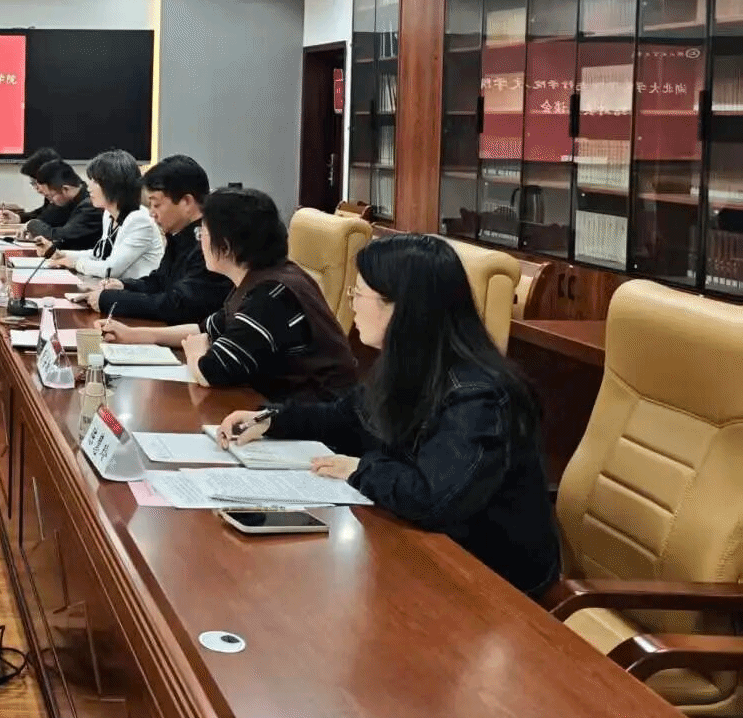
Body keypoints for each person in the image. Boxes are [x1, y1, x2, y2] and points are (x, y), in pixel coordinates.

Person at [217, 234, 561, 597]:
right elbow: (346, 417)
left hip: (490, 582)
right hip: (425, 552)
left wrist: (360, 469)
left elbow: (433, 499)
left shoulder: (479, 396)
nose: (351, 304)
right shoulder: (410, 365)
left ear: (400, 307)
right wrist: (272, 420)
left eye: (358, 294)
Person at [103, 186, 354, 399]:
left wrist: (196, 353)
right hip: (273, 408)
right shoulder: (261, 277)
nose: (200, 241)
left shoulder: (271, 294)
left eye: (203, 233)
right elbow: (205, 329)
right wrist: (134, 335)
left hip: (311, 426)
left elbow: (211, 372)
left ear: (225, 246)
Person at [80, 154, 229, 326]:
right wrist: (123, 286)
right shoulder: (178, 235)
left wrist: (109, 300)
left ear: (186, 202)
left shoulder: (209, 241)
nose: (151, 213)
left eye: (156, 205)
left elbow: (179, 305)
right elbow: (159, 281)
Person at [44, 149, 163, 282]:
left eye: (95, 181)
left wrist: (74, 263)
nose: (89, 187)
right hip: (115, 288)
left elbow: (111, 269)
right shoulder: (109, 214)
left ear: (113, 185)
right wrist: (61, 254)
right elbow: (99, 254)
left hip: (137, 291)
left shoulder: (139, 219)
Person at [25, 158, 104, 250]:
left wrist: (31, 224)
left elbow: (59, 236)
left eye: (50, 196)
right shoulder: (69, 201)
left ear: (65, 189)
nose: (50, 201)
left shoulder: (91, 206)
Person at [0, 146, 61, 226]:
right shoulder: (53, 194)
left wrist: (29, 225)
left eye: (37, 182)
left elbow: (49, 221)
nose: (37, 189)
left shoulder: (68, 199)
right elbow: (43, 213)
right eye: (33, 183)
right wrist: (18, 218)